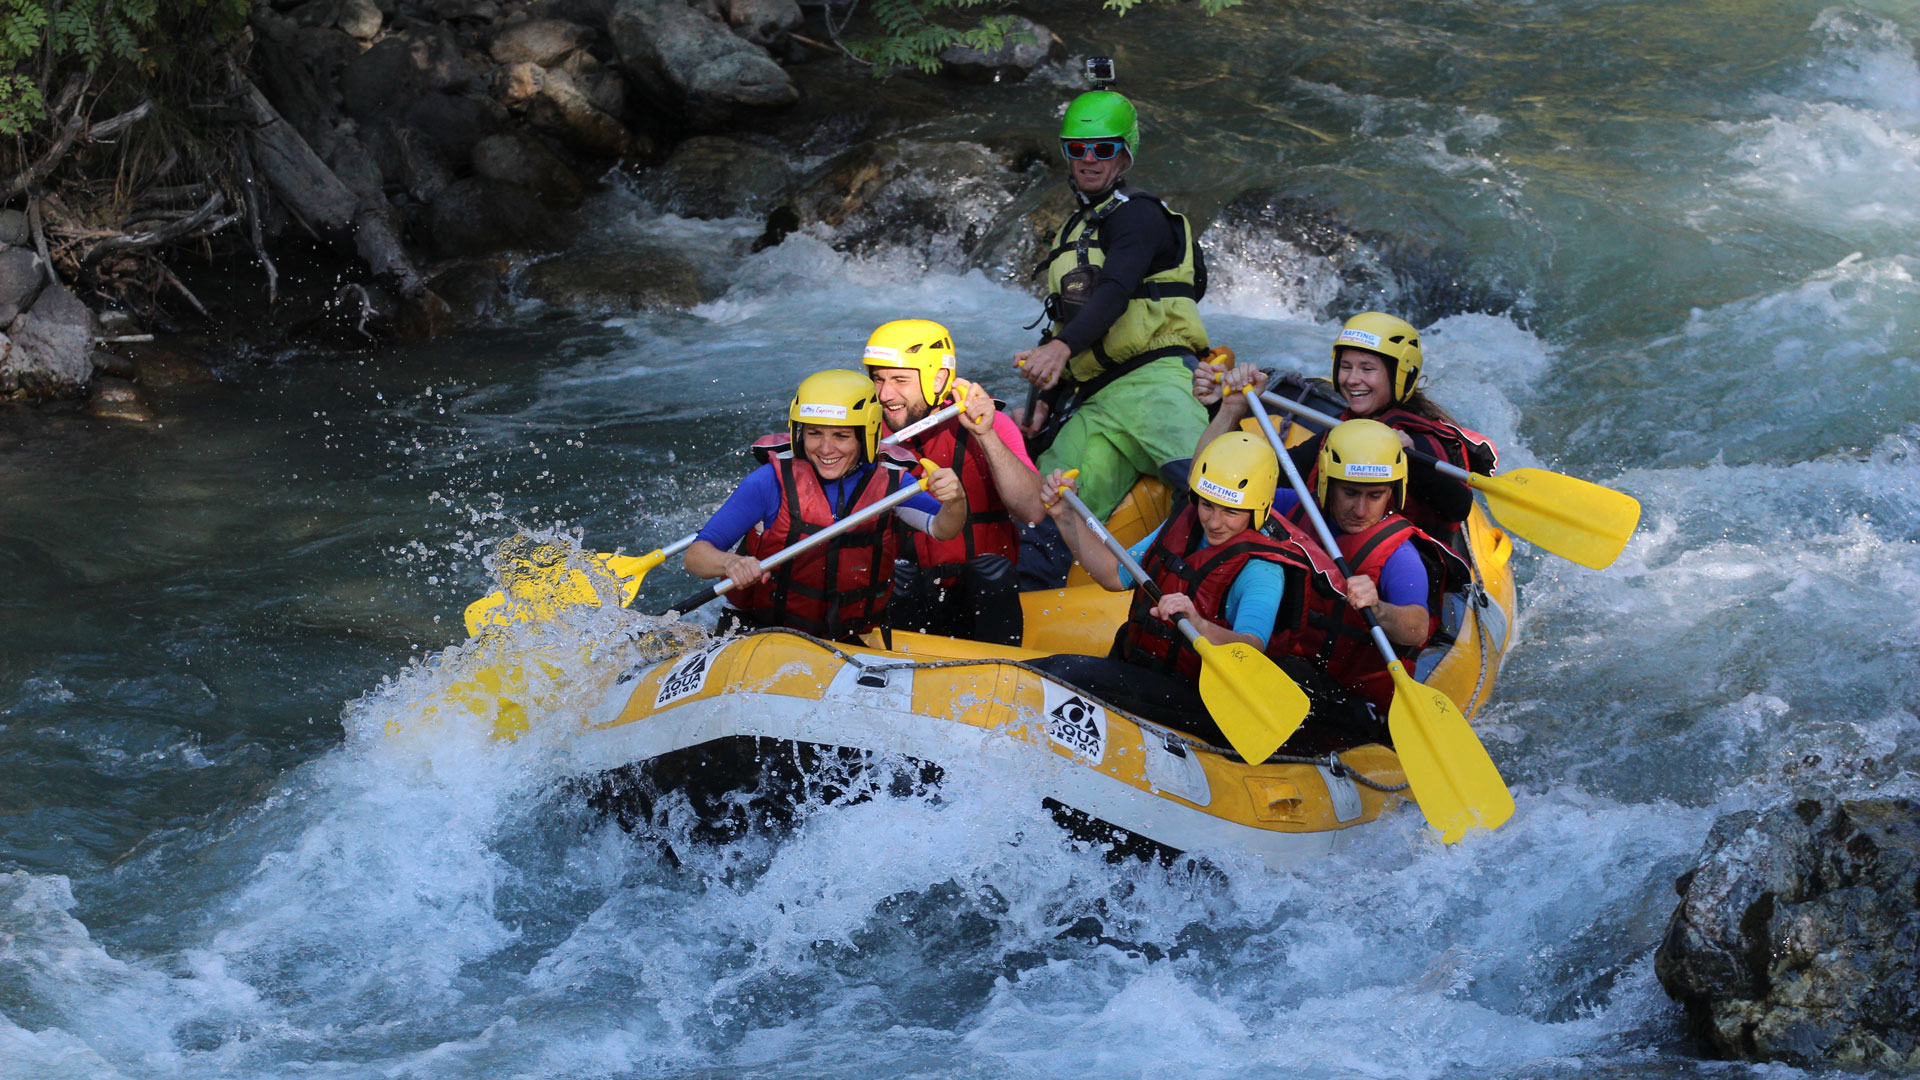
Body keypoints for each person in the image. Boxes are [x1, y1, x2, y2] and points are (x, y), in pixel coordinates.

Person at [1027, 432, 1379, 752]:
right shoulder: (1187, 522)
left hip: (1206, 699)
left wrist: (1198, 623)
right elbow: (1113, 575)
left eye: (1230, 511)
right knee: (1062, 671)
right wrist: (1063, 517)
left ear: (1258, 508)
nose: (1213, 521)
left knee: (1065, 672)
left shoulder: (1263, 569)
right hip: (1150, 670)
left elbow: (1251, 647)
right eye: (1208, 504)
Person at [1012, 89, 1213, 586]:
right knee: (1044, 507)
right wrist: (1045, 402)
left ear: (1125, 153)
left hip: (1157, 380)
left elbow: (1118, 288)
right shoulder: (1072, 232)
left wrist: (1059, 349)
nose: (1088, 160)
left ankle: (1188, 590)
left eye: (1102, 149)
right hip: (1097, 400)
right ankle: (1023, 616)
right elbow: (1067, 324)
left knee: (1213, 493)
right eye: (1076, 149)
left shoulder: (1140, 215)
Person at [684, 369, 966, 644]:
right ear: (799, 433)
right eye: (815, 433)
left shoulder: (890, 482)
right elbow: (697, 556)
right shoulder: (769, 481)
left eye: (841, 436)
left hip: (845, 636)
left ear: (865, 435)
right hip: (760, 632)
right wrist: (730, 562)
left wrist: (956, 500)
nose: (825, 449)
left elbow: (943, 528)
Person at [1194, 312, 1498, 544]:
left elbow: (1457, 506)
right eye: (1346, 366)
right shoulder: (1342, 429)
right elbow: (1260, 479)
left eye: (1367, 369)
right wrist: (1228, 409)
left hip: (1403, 575)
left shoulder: (1421, 438)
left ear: (1401, 374)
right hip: (1340, 556)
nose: (1352, 379)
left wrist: (1411, 460)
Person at [862, 319, 1043, 645]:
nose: (885, 394)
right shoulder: (865, 436)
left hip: (979, 601)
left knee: (992, 573)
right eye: (878, 379)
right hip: (906, 599)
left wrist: (985, 435)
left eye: (900, 380)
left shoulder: (991, 423)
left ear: (939, 377)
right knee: (897, 575)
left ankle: (996, 676)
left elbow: (1033, 510)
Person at [1276, 419, 1468, 714]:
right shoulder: (1294, 505)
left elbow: (1416, 627)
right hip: (1285, 669)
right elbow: (1205, 495)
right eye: (1350, 493)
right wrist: (1228, 410)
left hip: (1348, 702)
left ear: (1393, 492)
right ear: (1328, 484)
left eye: (1375, 495)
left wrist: (1377, 608)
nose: (1361, 509)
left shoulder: (1399, 553)